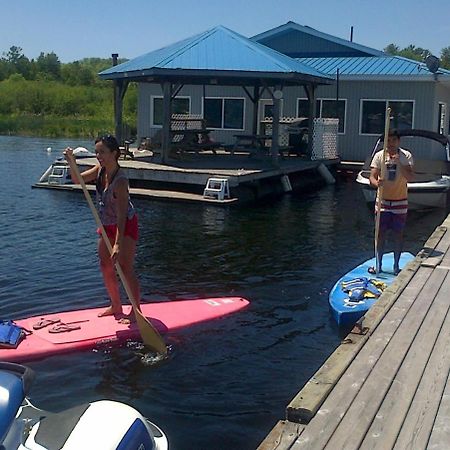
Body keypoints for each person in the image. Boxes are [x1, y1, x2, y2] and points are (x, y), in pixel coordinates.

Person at [64, 135, 141, 321]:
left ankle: (136, 311)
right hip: (106, 223)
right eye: (97, 152)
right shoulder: (100, 170)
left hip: (125, 225)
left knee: (124, 266)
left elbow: (122, 215)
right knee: (105, 265)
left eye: (103, 152)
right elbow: (77, 180)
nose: (99, 156)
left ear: (114, 153)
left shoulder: (120, 181)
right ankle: (115, 305)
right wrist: (71, 162)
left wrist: (117, 244)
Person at [369, 129, 414, 275]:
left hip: (400, 201)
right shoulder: (379, 156)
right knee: (380, 234)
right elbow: (372, 177)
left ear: (398, 141)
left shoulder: (406, 156)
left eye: (394, 140)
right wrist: (377, 183)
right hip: (382, 201)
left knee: (398, 234)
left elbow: (410, 177)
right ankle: (378, 264)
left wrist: (398, 162)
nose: (391, 143)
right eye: (388, 140)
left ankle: (396, 266)